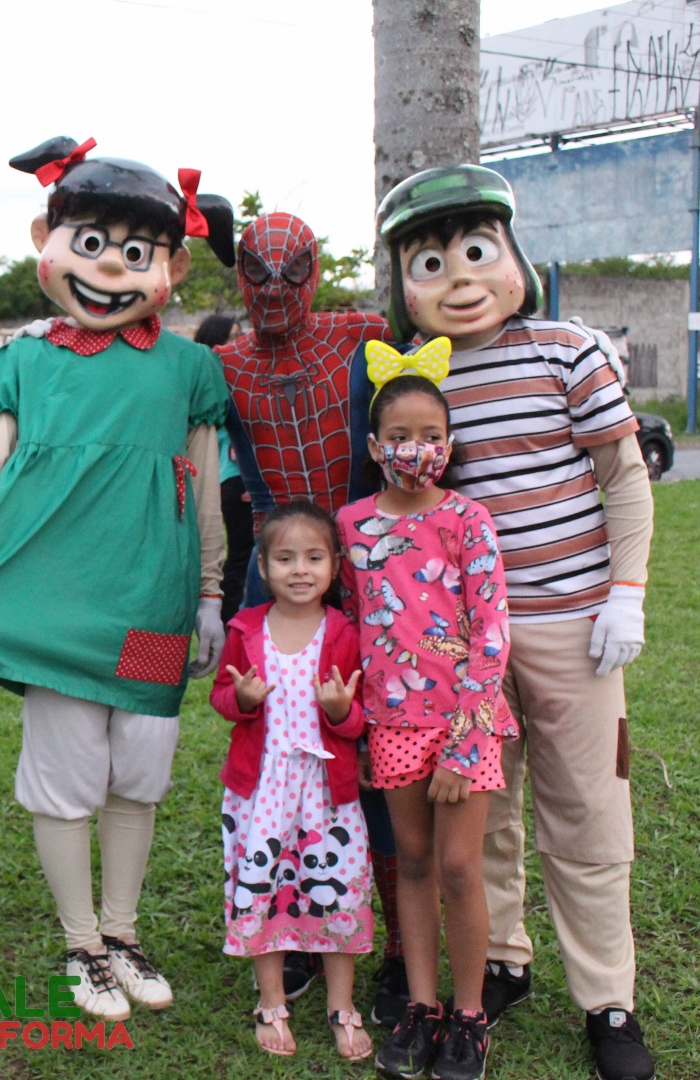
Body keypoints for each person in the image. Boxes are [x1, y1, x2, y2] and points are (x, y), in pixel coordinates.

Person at [0, 136, 238, 1022]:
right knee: (66, 772)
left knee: (140, 771)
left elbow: (204, 487)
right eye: (90, 244)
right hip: (54, 610)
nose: (111, 268)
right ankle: (82, 943)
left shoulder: (190, 369)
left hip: (153, 605)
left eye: (137, 251)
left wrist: (209, 594)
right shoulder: (28, 361)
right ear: (47, 242)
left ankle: (123, 932)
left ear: (172, 267)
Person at [374, 165, 657, 1080]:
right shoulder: (420, 374)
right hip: (462, 646)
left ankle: (608, 999)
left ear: (513, 256)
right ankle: (501, 960)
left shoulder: (568, 350)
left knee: (587, 814)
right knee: (481, 816)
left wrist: (627, 591)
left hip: (574, 625)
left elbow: (623, 480)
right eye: (430, 263)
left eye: (476, 252)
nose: (459, 279)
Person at [217, 211, 406, 1024]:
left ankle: (396, 946)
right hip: (275, 568)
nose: (273, 291)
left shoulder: (364, 335)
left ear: (316, 272)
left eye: (291, 272)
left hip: (363, 559)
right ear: (237, 276)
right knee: (275, 752)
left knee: (380, 756)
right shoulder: (223, 364)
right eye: (257, 272)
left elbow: (425, 393)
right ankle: (291, 926)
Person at [336, 366, 516, 1080]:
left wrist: (466, 742)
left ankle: (469, 1016)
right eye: (400, 435)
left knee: (459, 866)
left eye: (431, 435)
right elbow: (353, 626)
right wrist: (356, 729)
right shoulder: (352, 524)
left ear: (449, 442)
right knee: (410, 861)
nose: (416, 448)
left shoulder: (468, 519)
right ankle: (421, 1006)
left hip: (463, 725)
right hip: (391, 723)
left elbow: (492, 632)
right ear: (374, 445)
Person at [210, 501, 373, 1063]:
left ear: (335, 565)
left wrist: (339, 711)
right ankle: (271, 1000)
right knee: (263, 890)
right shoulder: (245, 628)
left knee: (337, 893)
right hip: (262, 792)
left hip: (327, 795)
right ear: (262, 567)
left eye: (313, 557)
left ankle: (341, 1005)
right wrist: (242, 699)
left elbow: (359, 719)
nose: (300, 570)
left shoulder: (345, 632)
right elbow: (222, 698)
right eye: (285, 558)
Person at [194, 314, 253, 622]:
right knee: (242, 557)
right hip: (235, 481)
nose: (240, 343)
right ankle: (229, 622)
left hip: (234, 480)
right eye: (233, 337)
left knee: (244, 555)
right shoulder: (217, 386)